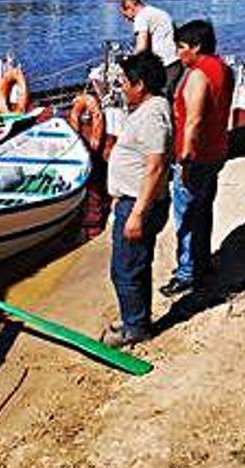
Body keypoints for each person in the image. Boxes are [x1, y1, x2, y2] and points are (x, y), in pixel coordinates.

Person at [101, 51, 173, 347]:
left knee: (125, 269)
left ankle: (136, 329)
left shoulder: (154, 114)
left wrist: (138, 213)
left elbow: (156, 166)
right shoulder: (147, 109)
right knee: (134, 266)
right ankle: (136, 319)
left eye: (124, 83)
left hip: (141, 205)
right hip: (131, 200)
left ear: (140, 84)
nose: (121, 88)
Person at [159, 20, 235, 297]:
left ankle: (187, 273)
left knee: (187, 215)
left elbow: (192, 121)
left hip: (197, 155)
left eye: (181, 47)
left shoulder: (198, 75)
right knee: (203, 209)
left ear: (196, 47)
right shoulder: (223, 69)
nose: (178, 53)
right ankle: (202, 263)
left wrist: (185, 159)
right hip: (216, 151)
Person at [119, 0, 184, 101]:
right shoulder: (160, 13)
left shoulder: (141, 17)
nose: (127, 20)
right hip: (176, 62)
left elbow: (142, 47)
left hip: (164, 65)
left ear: (130, 7)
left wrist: (129, 65)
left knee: (160, 100)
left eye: (125, 15)